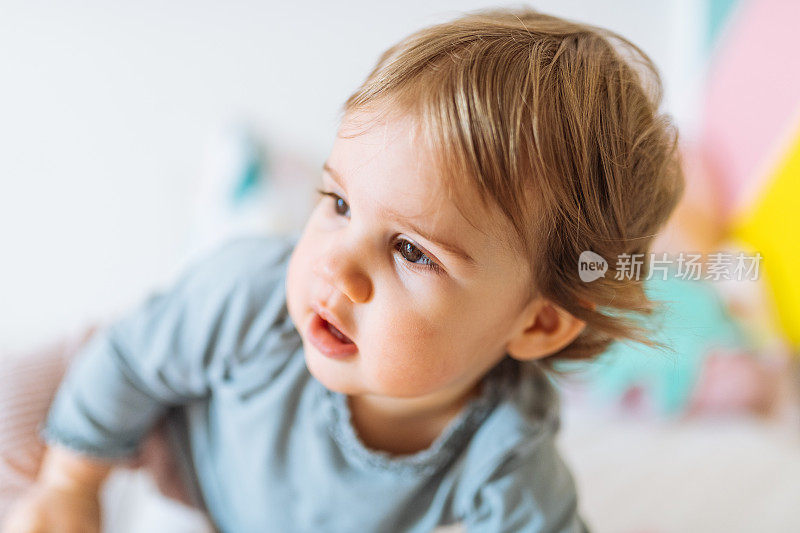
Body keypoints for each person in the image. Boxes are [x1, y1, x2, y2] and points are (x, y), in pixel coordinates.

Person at [1, 7, 684, 532]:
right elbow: (126, 362)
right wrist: (70, 484)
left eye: (411, 250)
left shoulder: (503, 453)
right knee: (31, 393)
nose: (338, 265)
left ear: (536, 322)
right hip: (172, 445)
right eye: (337, 202)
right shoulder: (253, 294)